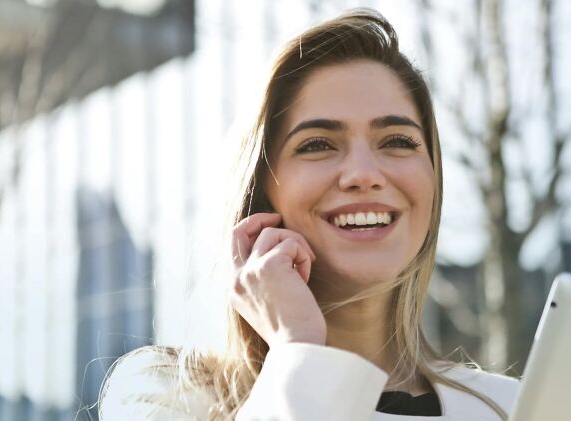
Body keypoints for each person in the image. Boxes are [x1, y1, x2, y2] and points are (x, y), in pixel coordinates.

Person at [99, 8, 520, 420]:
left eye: (397, 140)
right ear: (262, 189)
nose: (363, 175)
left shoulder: (512, 407)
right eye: (317, 144)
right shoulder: (166, 396)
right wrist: (298, 351)